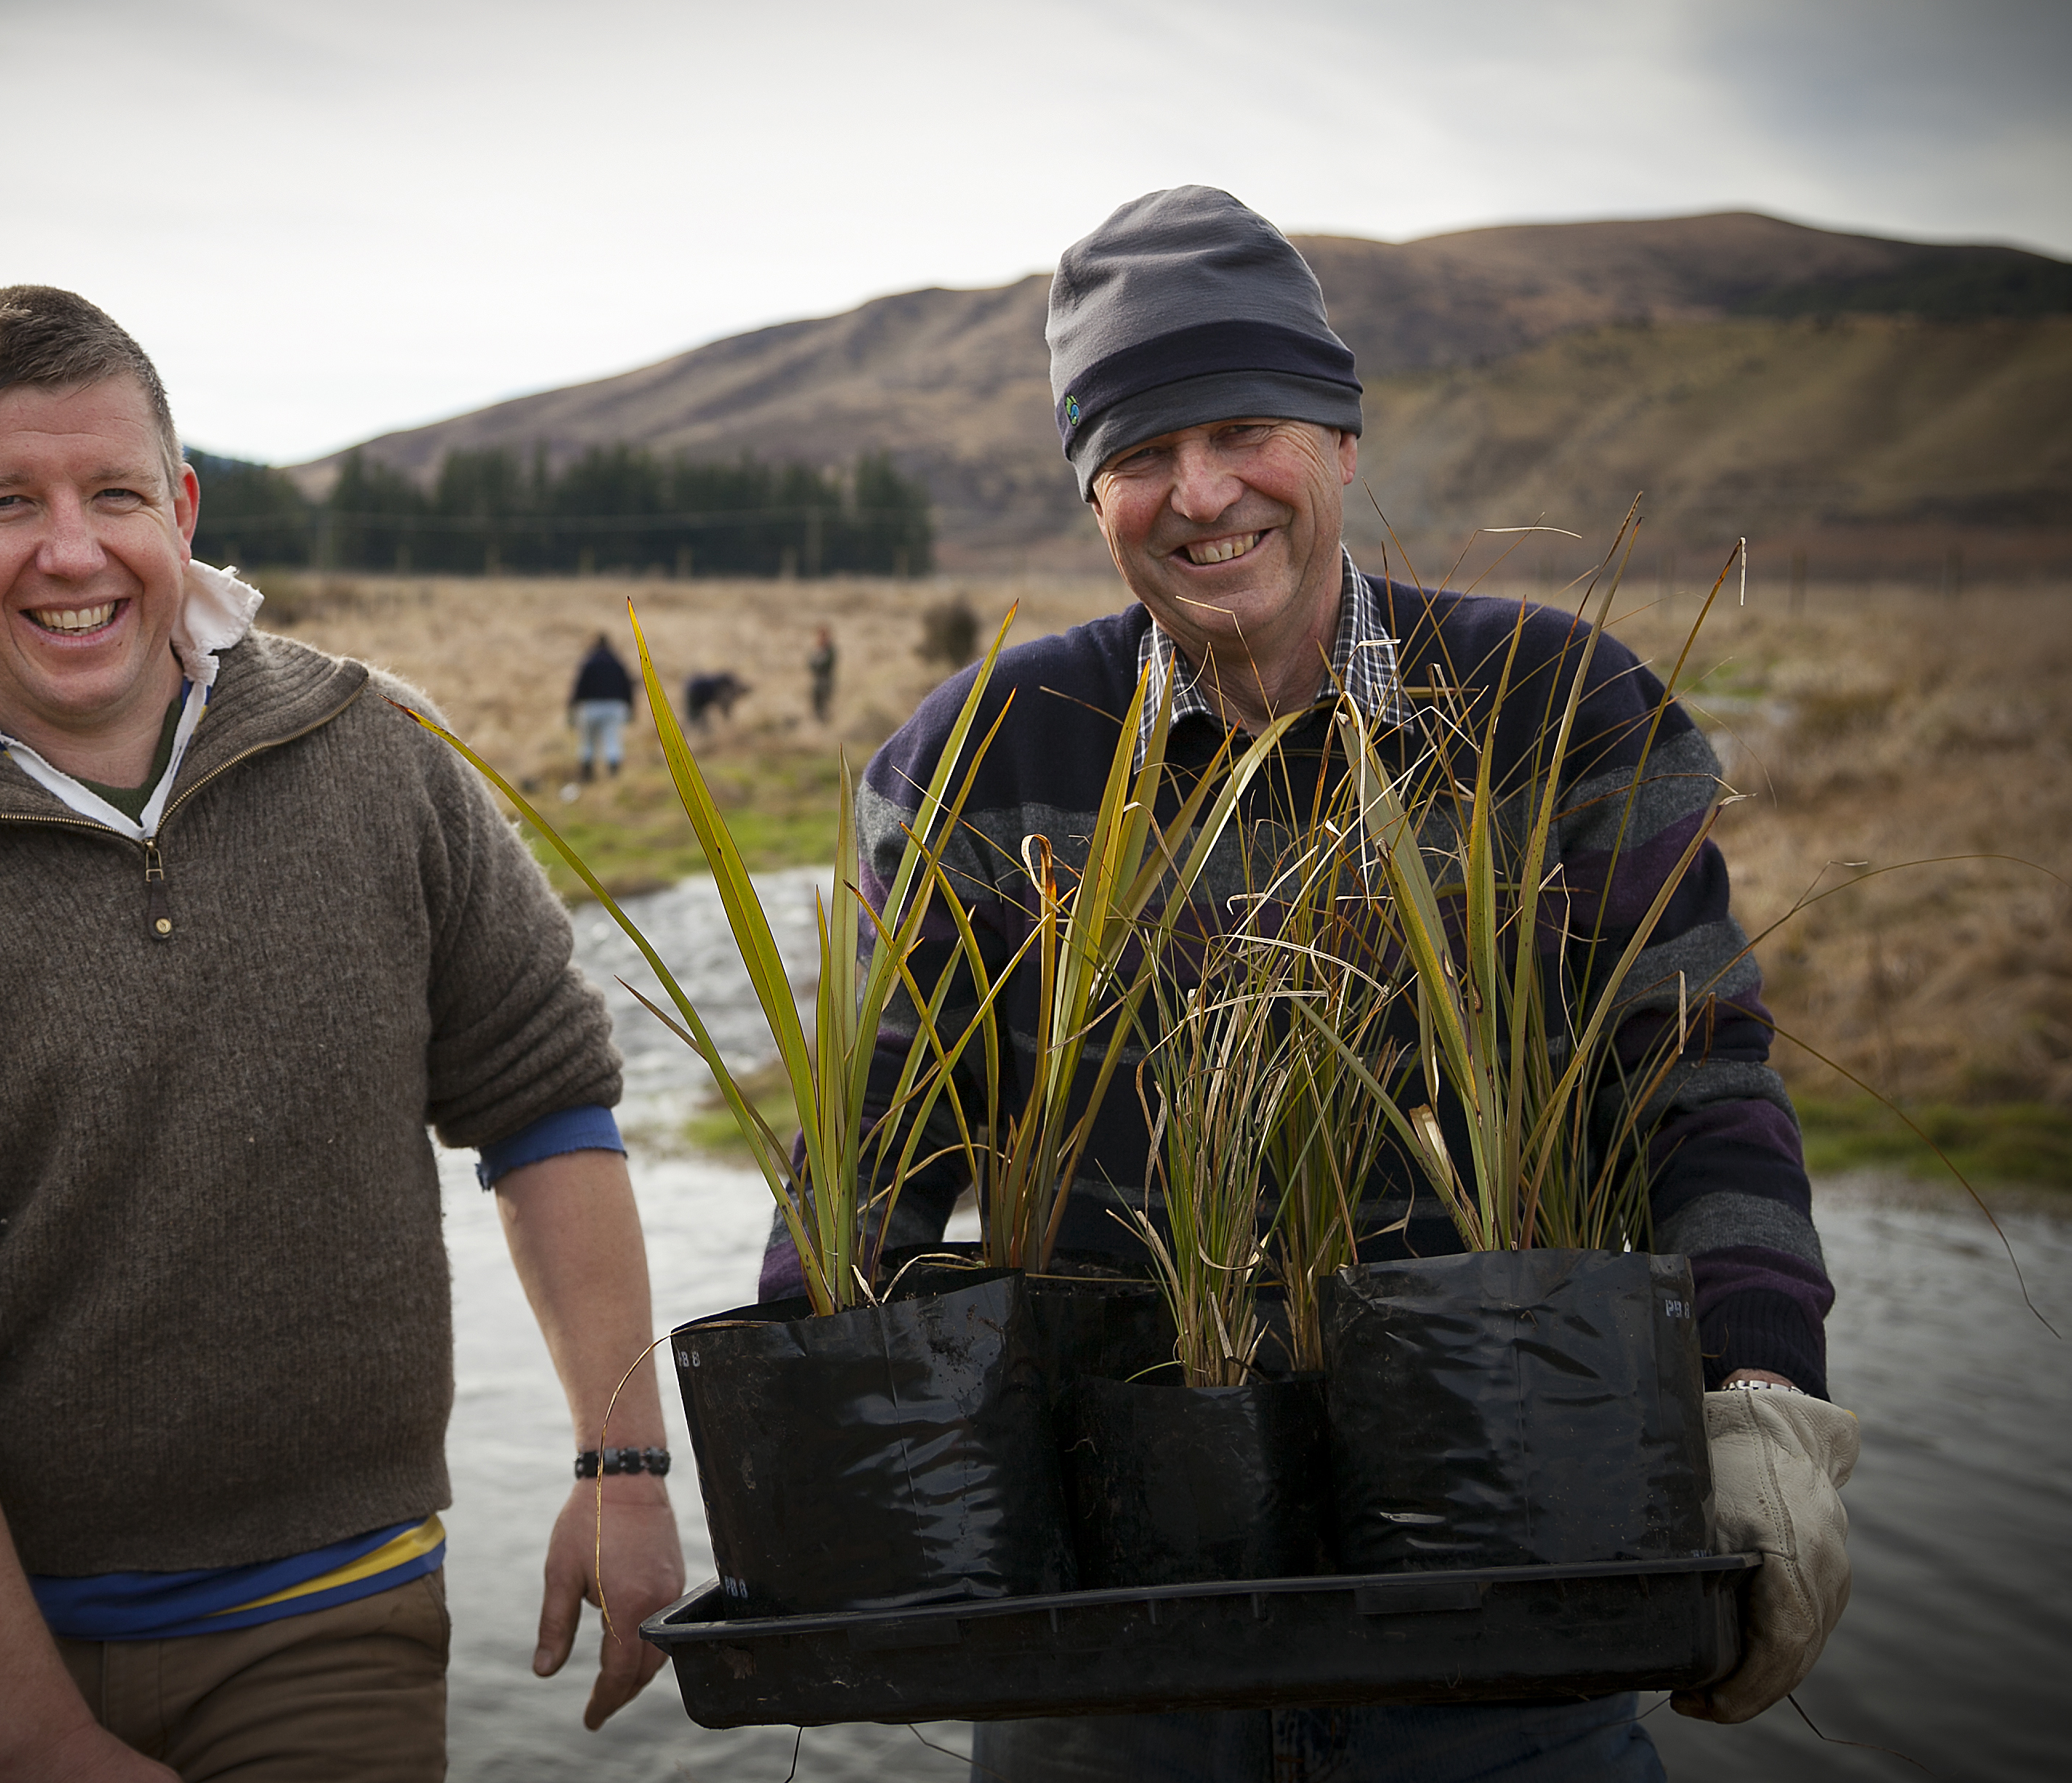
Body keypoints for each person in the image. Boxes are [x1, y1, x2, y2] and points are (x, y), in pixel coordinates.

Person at [765, 187, 1857, 1781]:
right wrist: (794, 1434)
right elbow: (869, 1149)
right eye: (1137, 453)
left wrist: (1761, 1398)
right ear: (1091, 491)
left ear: (1338, 439)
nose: (1197, 494)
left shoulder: (1554, 709)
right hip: (1103, 1666)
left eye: (1241, 429)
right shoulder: (978, 760)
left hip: (1508, 1634)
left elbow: (1700, 1076)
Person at [0, 286, 685, 1783]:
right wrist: (26, 1732)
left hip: (332, 1608)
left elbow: (543, 1098)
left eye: (114, 493)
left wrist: (623, 1464)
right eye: (5, 502)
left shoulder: (377, 757)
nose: (72, 549)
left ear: (184, 506)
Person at [568, 631, 634, 778]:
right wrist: (631, 708)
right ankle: (614, 775)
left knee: (587, 742)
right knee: (612, 740)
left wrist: (571, 709)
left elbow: (578, 687)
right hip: (614, 707)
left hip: (590, 707)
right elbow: (627, 686)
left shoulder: (588, 663)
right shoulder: (618, 663)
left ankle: (587, 776)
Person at [807, 625, 836, 724]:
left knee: (825, 704)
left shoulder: (830, 650)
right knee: (816, 704)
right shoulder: (817, 649)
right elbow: (810, 664)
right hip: (817, 681)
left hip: (826, 681)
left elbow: (827, 664)